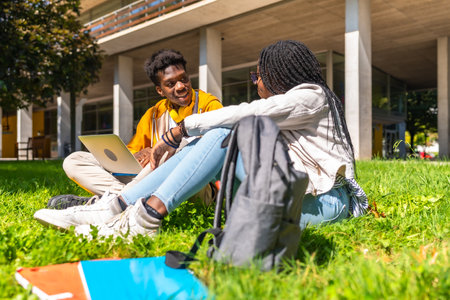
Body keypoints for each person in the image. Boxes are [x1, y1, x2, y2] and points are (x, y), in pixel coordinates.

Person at [34, 40, 367, 238]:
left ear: (278, 77)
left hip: (325, 202)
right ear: (159, 90)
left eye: (258, 76)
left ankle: (139, 215)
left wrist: (178, 131)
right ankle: (118, 207)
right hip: (273, 194)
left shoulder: (311, 97)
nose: (255, 83)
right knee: (78, 160)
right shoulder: (290, 107)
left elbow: (241, 114)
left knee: (222, 132)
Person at [47, 49, 223, 209]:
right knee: (74, 160)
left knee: (171, 152)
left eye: (184, 79)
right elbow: (131, 158)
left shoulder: (209, 104)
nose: (181, 87)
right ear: (160, 90)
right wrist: (140, 154)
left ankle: (109, 203)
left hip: (197, 187)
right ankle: (123, 201)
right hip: (150, 182)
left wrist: (157, 151)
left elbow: (218, 149)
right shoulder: (153, 114)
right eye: (170, 84)